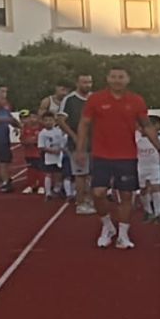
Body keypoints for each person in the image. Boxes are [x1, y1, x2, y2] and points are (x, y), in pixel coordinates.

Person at [78, 68, 151, 251]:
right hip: (102, 155)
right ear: (107, 79)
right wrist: (80, 149)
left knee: (126, 196)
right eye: (113, 77)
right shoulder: (95, 99)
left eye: (121, 77)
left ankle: (123, 235)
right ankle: (107, 226)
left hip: (127, 156)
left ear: (128, 79)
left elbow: (146, 125)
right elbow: (84, 123)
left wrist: (159, 147)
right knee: (98, 193)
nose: (117, 80)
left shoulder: (136, 100)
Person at [63, 73, 94, 214]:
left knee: (93, 173)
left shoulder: (94, 98)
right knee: (80, 173)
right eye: (84, 82)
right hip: (77, 144)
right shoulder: (69, 100)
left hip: (95, 142)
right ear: (77, 83)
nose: (87, 85)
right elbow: (60, 120)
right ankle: (80, 203)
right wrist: (74, 136)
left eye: (89, 82)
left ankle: (89, 199)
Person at [135, 116, 160, 222]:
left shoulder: (158, 140)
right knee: (143, 189)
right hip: (140, 167)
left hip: (154, 167)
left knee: (156, 188)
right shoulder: (136, 138)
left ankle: (158, 213)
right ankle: (148, 210)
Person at [36, 105, 71, 203]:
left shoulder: (58, 131)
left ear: (54, 121)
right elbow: (41, 147)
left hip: (59, 157)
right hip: (48, 157)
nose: (48, 122)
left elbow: (63, 142)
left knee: (60, 174)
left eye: (50, 120)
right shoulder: (42, 133)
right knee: (48, 174)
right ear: (43, 122)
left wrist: (61, 149)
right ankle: (48, 193)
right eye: (46, 120)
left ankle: (59, 190)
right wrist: (52, 151)